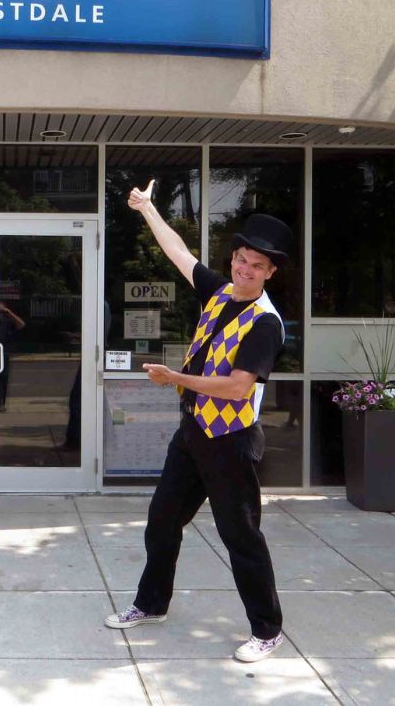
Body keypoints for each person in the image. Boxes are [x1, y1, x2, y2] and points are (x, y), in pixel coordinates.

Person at [105, 179, 292, 664]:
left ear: (270, 271)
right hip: (192, 435)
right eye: (241, 259)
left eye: (256, 265)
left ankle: (267, 630)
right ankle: (151, 604)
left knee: (241, 536)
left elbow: (237, 387)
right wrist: (147, 209)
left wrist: (176, 378)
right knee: (162, 520)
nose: (245, 268)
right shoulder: (220, 291)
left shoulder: (266, 322)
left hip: (231, 441)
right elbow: (179, 254)